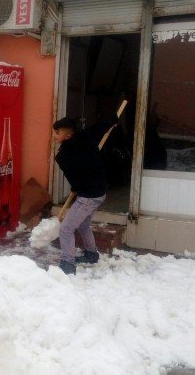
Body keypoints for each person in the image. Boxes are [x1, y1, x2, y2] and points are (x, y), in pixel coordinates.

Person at [52, 117, 107, 275]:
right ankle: (91, 254)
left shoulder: (67, 155)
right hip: (98, 191)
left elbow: (75, 176)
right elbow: (99, 126)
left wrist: (77, 186)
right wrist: (111, 120)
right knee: (83, 225)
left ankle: (68, 264)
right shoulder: (85, 139)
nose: (54, 135)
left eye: (57, 132)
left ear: (68, 136)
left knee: (66, 229)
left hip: (89, 196)